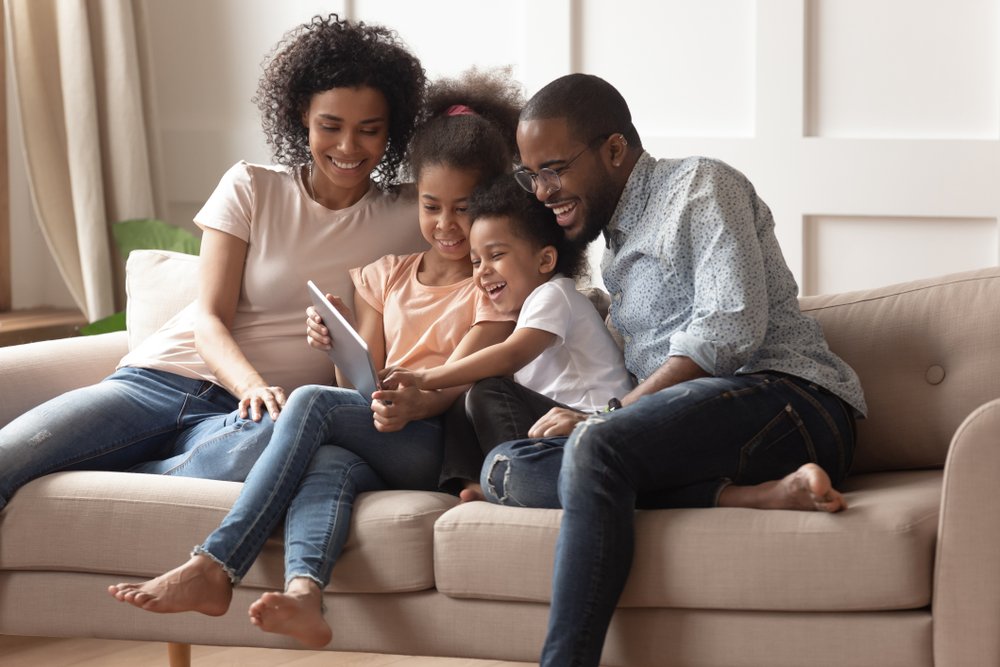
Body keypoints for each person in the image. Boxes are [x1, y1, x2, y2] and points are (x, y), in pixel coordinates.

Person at [108, 69, 525, 649]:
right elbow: (354, 387)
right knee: (328, 463)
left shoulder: (494, 288)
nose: (446, 225)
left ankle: (215, 564)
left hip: (434, 442)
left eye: (465, 209)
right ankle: (305, 593)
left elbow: (463, 378)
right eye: (431, 207)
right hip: (379, 430)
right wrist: (337, 343)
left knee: (308, 403)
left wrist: (415, 400)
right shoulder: (384, 275)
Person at [487, 73, 868, 667]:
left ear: (615, 149)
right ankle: (751, 496)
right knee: (504, 466)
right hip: (703, 427)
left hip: (791, 402)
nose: (541, 192)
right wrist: (600, 413)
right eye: (530, 175)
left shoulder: (701, 186)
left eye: (553, 170)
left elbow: (728, 328)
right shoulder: (616, 245)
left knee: (594, 446)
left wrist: (607, 418)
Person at [0, 14, 428, 505]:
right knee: (10, 456)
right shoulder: (252, 186)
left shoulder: (415, 215)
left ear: (391, 130)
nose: (348, 147)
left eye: (369, 130)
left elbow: (479, 195)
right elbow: (208, 318)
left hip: (251, 423)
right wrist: (252, 386)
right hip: (160, 382)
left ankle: (132, 474)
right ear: (302, 116)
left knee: (273, 442)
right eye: (330, 126)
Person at [382, 176, 634, 502]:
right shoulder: (527, 312)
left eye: (496, 255)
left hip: (588, 428)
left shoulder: (555, 294)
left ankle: (519, 474)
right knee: (467, 394)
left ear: (545, 260)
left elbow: (511, 355)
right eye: (476, 261)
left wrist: (425, 377)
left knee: (488, 388)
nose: (482, 271)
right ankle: (471, 482)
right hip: (554, 430)